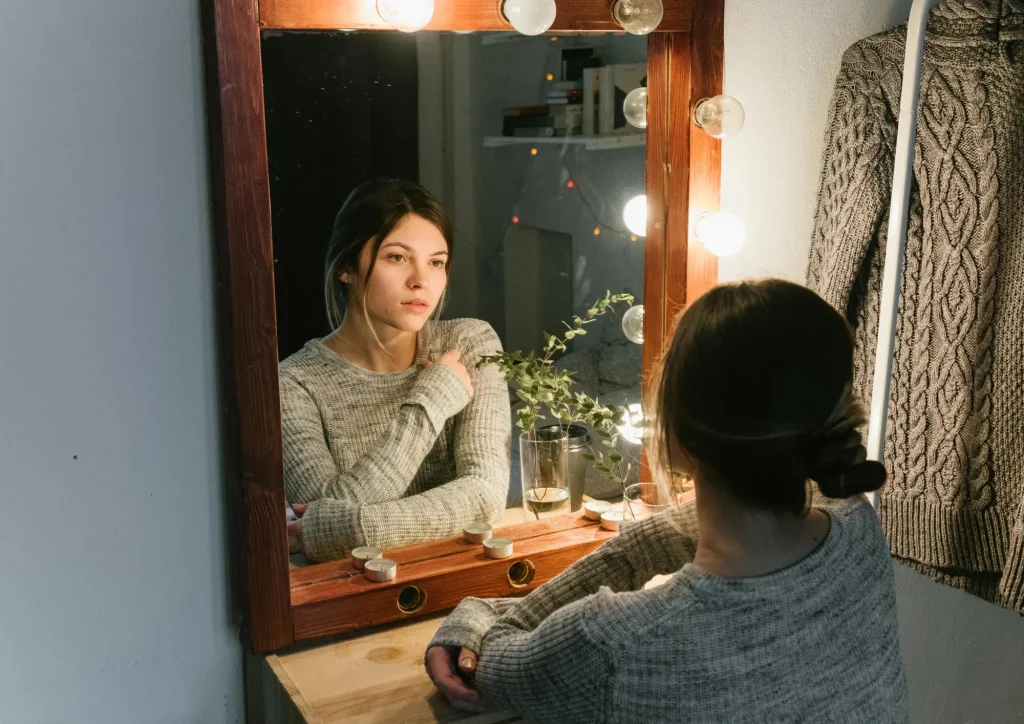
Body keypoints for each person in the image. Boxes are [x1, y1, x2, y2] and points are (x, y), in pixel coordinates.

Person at [425, 279, 909, 723]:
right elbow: (654, 544)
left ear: (678, 435)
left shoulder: (615, 645)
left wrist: (473, 615)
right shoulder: (858, 530)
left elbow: (490, 663)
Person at [282, 179, 511, 563]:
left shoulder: (470, 344)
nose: (421, 280)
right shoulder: (293, 384)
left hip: (463, 579)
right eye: (397, 257)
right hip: (356, 599)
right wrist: (431, 403)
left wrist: (358, 529)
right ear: (345, 267)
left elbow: (485, 496)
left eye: (436, 262)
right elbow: (324, 510)